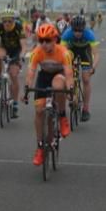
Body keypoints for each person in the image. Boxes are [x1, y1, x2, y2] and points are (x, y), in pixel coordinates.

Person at [23, 22, 73, 166]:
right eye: (41, 40)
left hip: (59, 76)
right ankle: (40, 147)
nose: (44, 44)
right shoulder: (37, 52)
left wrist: (70, 90)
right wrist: (27, 89)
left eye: (48, 40)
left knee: (57, 84)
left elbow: (69, 74)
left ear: (55, 40)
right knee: (39, 110)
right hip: (43, 77)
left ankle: (63, 116)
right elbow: (31, 73)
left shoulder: (63, 52)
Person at [60, 15, 100, 121]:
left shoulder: (89, 34)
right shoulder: (67, 34)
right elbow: (61, 52)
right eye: (75, 30)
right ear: (71, 29)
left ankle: (86, 109)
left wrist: (93, 67)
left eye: (80, 31)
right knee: (67, 74)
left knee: (86, 79)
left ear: (84, 29)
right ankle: (71, 92)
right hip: (72, 50)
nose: (77, 33)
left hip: (85, 51)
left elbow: (96, 54)